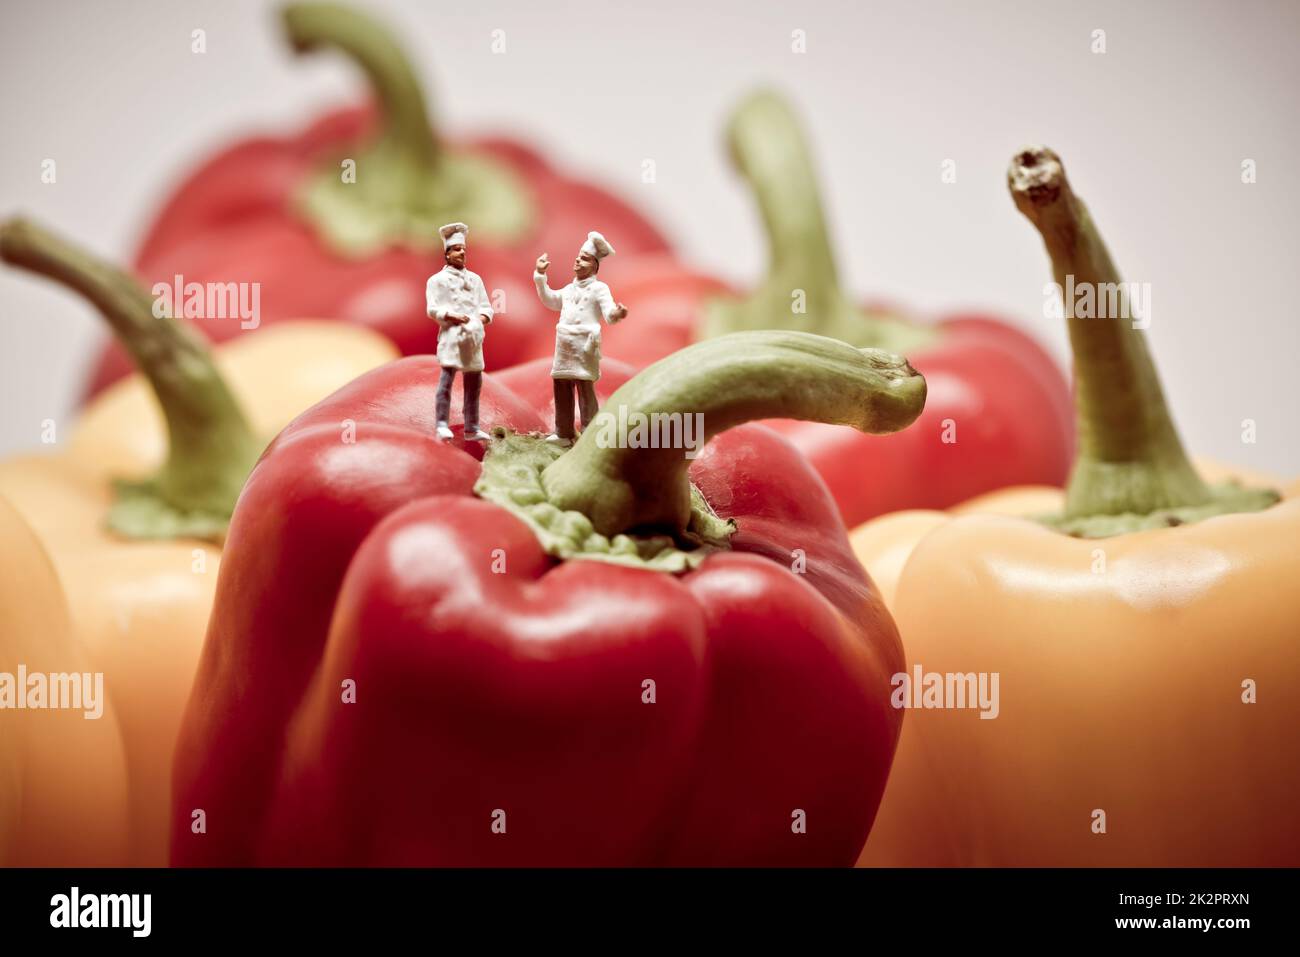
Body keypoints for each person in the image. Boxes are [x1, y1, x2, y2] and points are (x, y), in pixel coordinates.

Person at [533, 231, 628, 445]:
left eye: (584, 258)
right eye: (578, 256)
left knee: (585, 388)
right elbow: (551, 300)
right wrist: (540, 277)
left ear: (594, 266)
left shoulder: (599, 289)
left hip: (585, 344)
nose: (578, 260)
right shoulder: (568, 289)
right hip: (565, 343)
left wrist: (617, 313)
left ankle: (589, 432)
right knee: (562, 387)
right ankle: (563, 432)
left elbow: (609, 313)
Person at [426, 222, 493, 441]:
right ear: (447, 254)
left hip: (473, 337)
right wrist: (453, 316)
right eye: (456, 249)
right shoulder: (436, 281)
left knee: (474, 384)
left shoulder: (476, 280)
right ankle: (442, 423)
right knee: (446, 381)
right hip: (452, 336)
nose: (462, 252)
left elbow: (486, 307)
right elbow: (432, 309)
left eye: (463, 249)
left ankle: (472, 426)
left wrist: (479, 320)